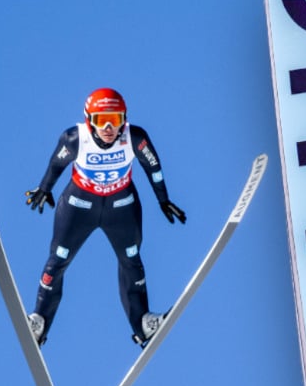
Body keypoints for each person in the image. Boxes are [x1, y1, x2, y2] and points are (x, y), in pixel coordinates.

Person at [24, 87, 187, 346]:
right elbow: (57, 164)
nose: (109, 127)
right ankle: (39, 321)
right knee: (57, 260)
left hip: (121, 205)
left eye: (116, 119)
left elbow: (152, 166)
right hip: (79, 206)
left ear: (125, 118)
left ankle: (143, 323)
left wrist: (163, 200)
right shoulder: (75, 139)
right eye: (101, 120)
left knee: (131, 260)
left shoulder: (134, 137)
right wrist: (44, 188)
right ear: (89, 120)